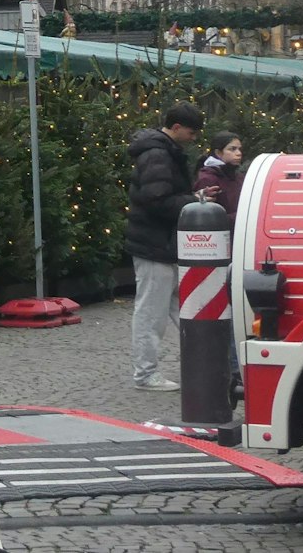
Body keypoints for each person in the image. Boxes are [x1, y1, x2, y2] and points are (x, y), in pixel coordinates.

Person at [126, 102, 204, 392]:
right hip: (156, 244)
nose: (194, 138)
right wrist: (194, 201)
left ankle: (198, 365)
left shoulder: (160, 152)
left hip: (162, 244)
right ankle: (145, 375)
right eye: (192, 132)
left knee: (180, 308)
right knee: (152, 313)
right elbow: (157, 200)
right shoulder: (158, 154)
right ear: (176, 128)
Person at [197, 131, 246, 218]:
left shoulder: (238, 177)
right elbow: (208, 217)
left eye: (239, 149)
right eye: (232, 149)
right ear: (218, 153)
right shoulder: (208, 178)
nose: (239, 153)